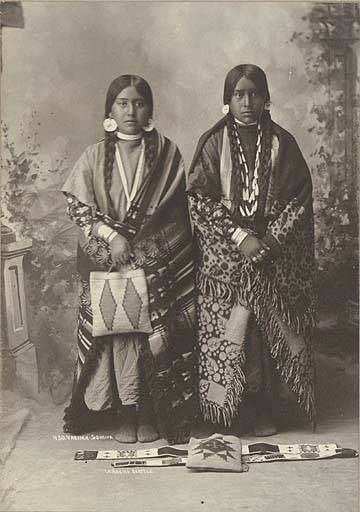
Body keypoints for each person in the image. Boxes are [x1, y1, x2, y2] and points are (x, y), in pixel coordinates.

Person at [62, 75, 196, 444]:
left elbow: (175, 214)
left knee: (152, 335)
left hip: (154, 264)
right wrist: (112, 238)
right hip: (110, 262)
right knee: (116, 333)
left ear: (149, 109)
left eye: (138, 103)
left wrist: (145, 253)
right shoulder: (93, 156)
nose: (131, 110)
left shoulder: (169, 154)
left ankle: (152, 412)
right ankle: (125, 412)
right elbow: (78, 206)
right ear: (110, 110)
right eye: (122, 103)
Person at [187, 64, 317, 436]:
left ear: (266, 98)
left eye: (254, 93)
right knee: (232, 329)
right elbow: (199, 199)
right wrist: (240, 238)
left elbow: (299, 199)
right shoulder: (213, 143)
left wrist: (270, 241)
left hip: (271, 252)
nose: (247, 102)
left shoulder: (282, 142)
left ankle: (267, 408)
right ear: (227, 100)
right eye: (239, 94)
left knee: (266, 328)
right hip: (228, 253)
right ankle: (227, 410)